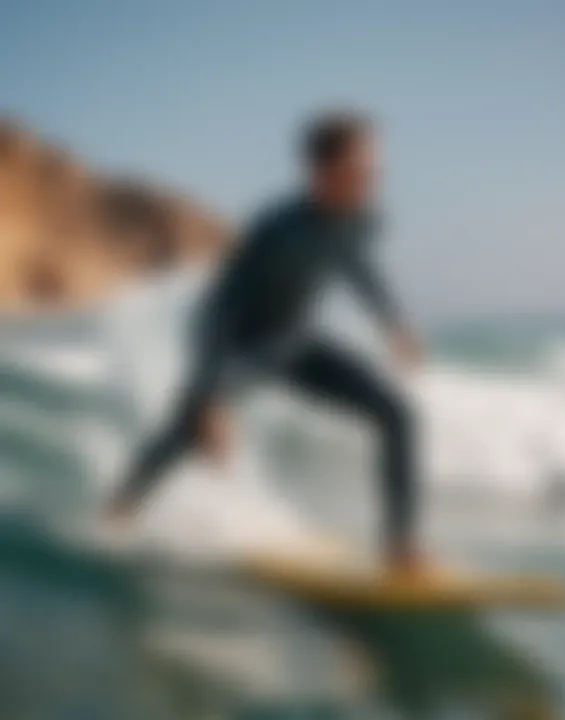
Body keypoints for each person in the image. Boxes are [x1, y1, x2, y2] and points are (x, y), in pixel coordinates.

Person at [106, 111, 423, 569]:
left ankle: (401, 546)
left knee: (398, 414)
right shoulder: (277, 230)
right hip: (242, 347)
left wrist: (393, 322)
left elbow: (356, 265)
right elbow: (218, 313)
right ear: (322, 172)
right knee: (187, 432)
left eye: (375, 167)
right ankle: (118, 513)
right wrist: (211, 395)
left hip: (297, 344)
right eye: (363, 168)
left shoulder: (361, 219)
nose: (375, 176)